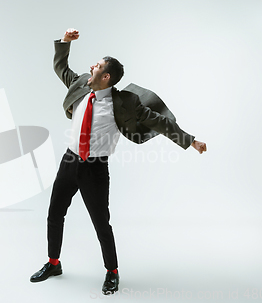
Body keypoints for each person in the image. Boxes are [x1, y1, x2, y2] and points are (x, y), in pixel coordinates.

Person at [29, 28, 207, 295]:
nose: (92, 66)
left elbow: (159, 121)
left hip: (95, 169)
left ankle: (112, 272)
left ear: (107, 76)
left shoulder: (124, 102)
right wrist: (65, 42)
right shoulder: (80, 84)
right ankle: (54, 263)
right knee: (55, 214)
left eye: (98, 66)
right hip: (69, 161)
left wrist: (190, 140)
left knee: (102, 223)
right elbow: (61, 68)